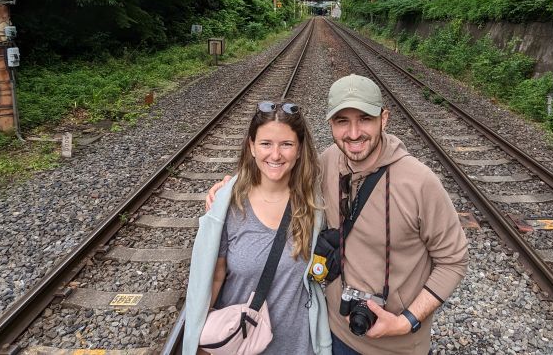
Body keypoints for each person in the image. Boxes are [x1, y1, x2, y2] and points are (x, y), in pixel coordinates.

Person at [208, 75, 468, 354]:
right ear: (330, 124)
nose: (354, 133)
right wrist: (229, 188)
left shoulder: (420, 183)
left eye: (365, 119)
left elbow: (453, 260)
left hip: (399, 346)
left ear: (384, 119)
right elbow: (278, 167)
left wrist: (407, 321)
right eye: (342, 121)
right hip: (332, 335)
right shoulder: (327, 163)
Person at [182, 100, 332, 355]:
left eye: (286, 144)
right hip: (240, 345)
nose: (275, 155)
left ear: (299, 150)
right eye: (265, 144)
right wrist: (199, 342)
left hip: (297, 347)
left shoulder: (313, 205)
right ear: (251, 146)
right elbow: (214, 278)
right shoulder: (229, 206)